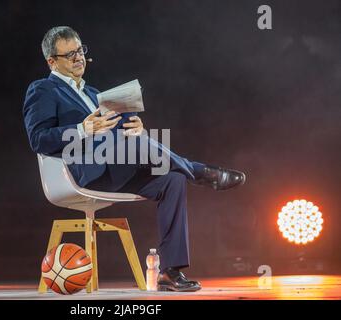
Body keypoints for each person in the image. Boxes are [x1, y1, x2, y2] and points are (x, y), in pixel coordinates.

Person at [23, 26, 246, 292]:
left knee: (171, 179)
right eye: (69, 54)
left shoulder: (95, 94)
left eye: (80, 51)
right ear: (52, 61)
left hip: (114, 166)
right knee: (148, 150)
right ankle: (199, 172)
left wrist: (135, 128)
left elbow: (116, 133)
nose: (78, 58)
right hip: (82, 171)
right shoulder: (43, 90)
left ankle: (169, 272)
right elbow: (39, 139)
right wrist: (84, 129)